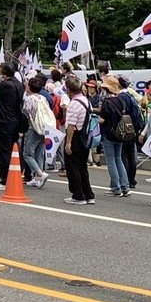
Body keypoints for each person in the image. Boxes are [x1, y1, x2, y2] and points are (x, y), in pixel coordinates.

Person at [0, 62, 26, 190]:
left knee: (4, 151)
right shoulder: (18, 84)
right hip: (15, 120)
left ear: (4, 73)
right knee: (13, 149)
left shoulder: (5, 85)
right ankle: (15, 173)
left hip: (4, 120)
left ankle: (4, 179)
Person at [61, 73, 96, 205]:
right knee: (82, 167)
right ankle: (88, 194)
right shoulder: (86, 101)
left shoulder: (74, 104)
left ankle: (78, 195)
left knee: (73, 167)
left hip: (75, 136)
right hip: (85, 136)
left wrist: (68, 142)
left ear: (68, 89)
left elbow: (70, 125)